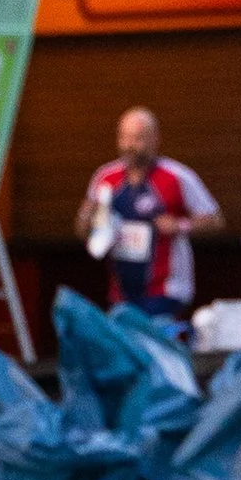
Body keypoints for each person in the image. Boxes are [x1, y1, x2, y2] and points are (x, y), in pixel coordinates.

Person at [75, 108, 220, 328]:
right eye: (125, 137)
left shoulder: (176, 177)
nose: (130, 145)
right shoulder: (105, 178)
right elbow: (83, 230)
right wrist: (88, 216)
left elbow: (215, 220)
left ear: (155, 140)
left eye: (138, 138)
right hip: (122, 291)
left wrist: (180, 225)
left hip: (167, 288)